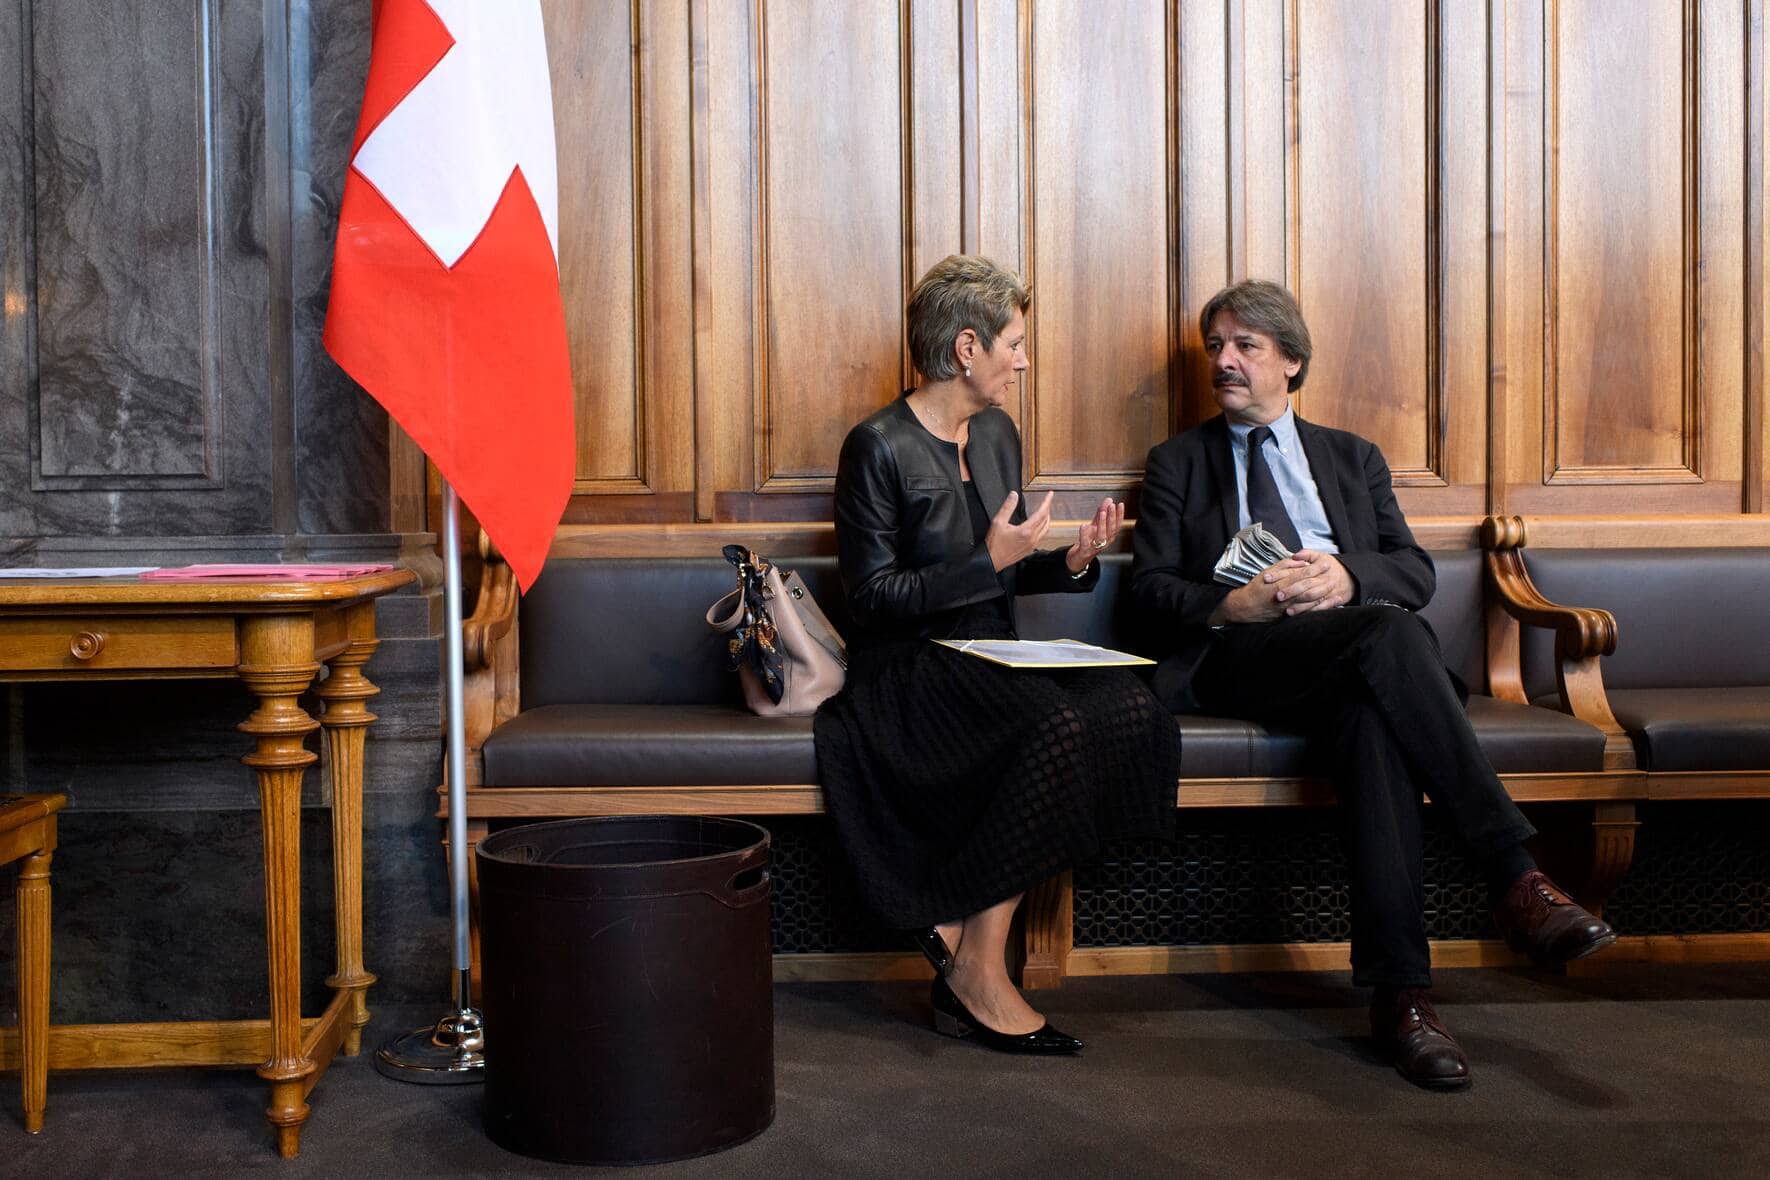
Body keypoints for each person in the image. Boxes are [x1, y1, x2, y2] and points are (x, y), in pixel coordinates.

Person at [1130, 279, 1615, 1089]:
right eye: (1216, 346)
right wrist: (1234, 602)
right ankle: (1514, 874)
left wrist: (1347, 576)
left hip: (1358, 653)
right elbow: (1148, 594)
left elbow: (1412, 571)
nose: (1224, 361)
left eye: (1246, 345)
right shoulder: (1179, 463)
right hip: (1250, 659)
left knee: (1373, 714)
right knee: (1391, 638)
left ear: (1293, 361)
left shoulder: (1352, 458)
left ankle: (1405, 999)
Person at [814, 255, 1181, 1056]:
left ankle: (968, 938)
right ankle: (980, 964)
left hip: (990, 655)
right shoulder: (875, 446)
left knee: (1127, 707)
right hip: (906, 671)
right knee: (1055, 725)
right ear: (966, 348)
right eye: (1014, 343)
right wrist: (990, 562)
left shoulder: (1000, 433)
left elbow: (1003, 563)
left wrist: (1071, 562)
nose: (1023, 359)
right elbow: (873, 601)